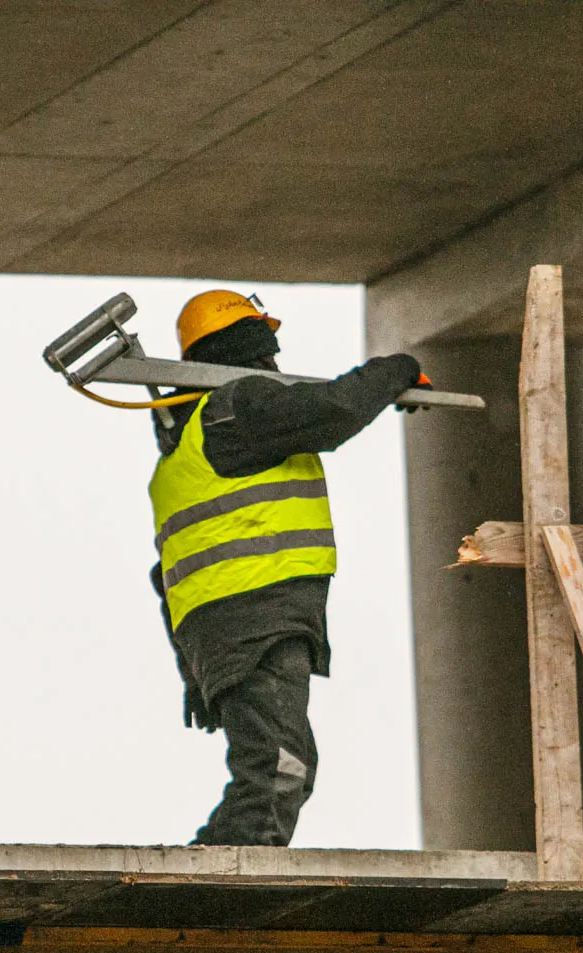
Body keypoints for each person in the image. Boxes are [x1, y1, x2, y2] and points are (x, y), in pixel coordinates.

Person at [149, 289, 426, 846]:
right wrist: (396, 369)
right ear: (248, 348)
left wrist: (192, 670)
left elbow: (168, 577)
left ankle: (224, 864)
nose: (274, 365)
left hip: (233, 625)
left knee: (286, 763)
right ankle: (226, 875)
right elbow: (334, 411)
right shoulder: (238, 408)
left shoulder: (188, 447)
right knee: (279, 765)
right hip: (258, 617)